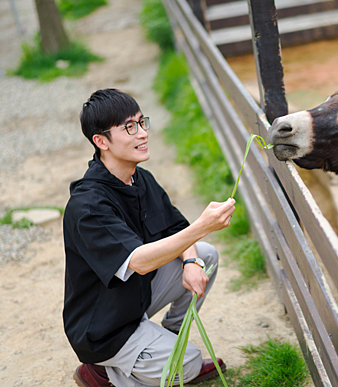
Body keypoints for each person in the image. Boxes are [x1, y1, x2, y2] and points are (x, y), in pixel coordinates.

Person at [63, 89, 235, 387]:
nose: (142, 134)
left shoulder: (139, 178)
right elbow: (139, 263)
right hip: (105, 327)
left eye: (142, 123)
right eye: (129, 128)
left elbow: (175, 229)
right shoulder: (88, 205)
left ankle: (167, 341)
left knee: (205, 255)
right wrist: (202, 225)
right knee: (189, 364)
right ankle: (102, 373)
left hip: (134, 297)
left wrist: (192, 261)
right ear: (101, 141)